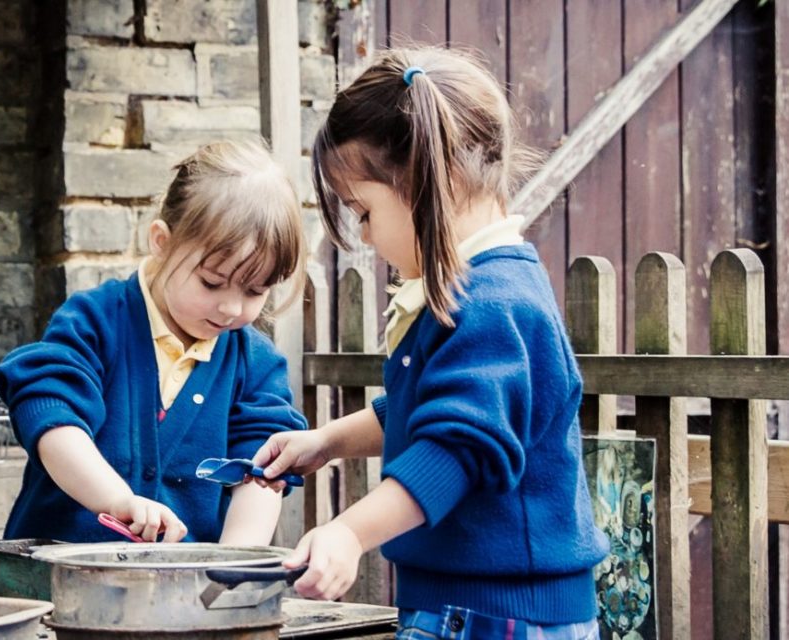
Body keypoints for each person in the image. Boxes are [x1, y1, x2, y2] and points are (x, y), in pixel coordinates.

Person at [255, 46, 609, 638]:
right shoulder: (466, 290)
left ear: (429, 178)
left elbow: (456, 448)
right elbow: (425, 409)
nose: (364, 235)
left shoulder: (496, 303)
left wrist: (349, 532)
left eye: (362, 211)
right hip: (470, 607)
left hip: (503, 615)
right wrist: (326, 443)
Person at [0, 140, 308, 545]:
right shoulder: (95, 322)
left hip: (179, 595)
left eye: (254, 292)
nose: (231, 308)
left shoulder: (256, 364)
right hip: (60, 578)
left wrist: (232, 566)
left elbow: (261, 473)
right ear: (162, 242)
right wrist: (116, 499)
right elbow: (51, 418)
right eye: (212, 282)